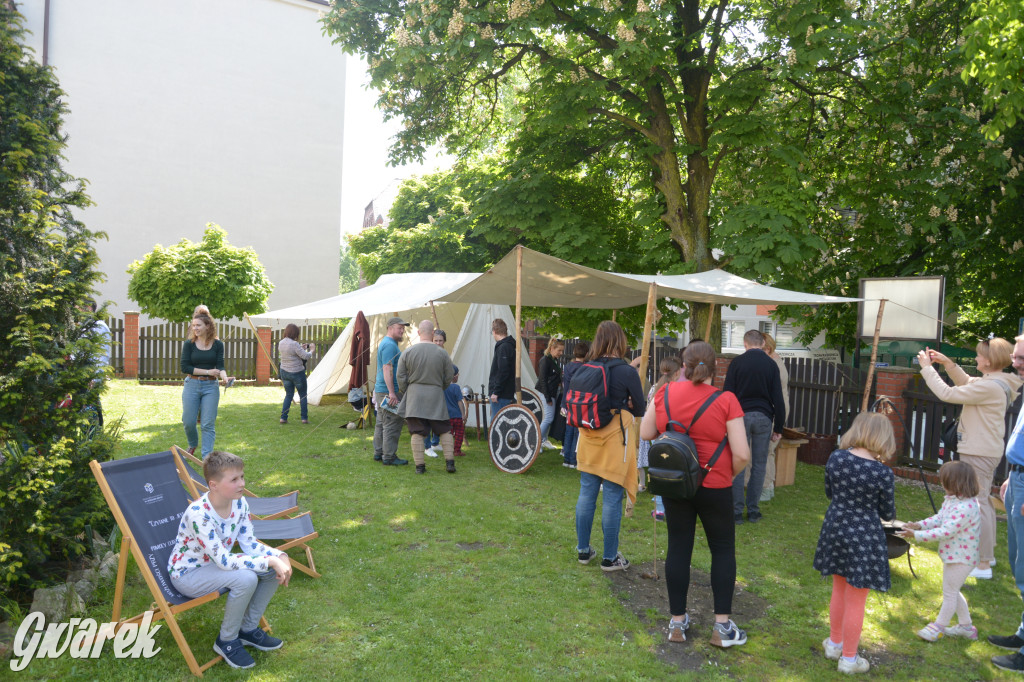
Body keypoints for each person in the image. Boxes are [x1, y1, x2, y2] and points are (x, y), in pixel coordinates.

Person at [639, 341, 751, 647]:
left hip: (676, 484)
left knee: (678, 547)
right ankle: (723, 628)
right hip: (715, 485)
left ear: (683, 366)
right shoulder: (726, 400)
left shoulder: (664, 393)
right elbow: (742, 453)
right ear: (715, 368)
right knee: (723, 550)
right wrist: (727, 474)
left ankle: (677, 623)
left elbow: (646, 433)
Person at [168, 451, 292, 670]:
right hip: (189, 574)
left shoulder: (240, 503)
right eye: (234, 479)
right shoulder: (199, 515)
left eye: (242, 477)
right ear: (213, 485)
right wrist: (269, 561)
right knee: (246, 578)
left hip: (215, 565)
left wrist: (278, 555)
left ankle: (247, 629)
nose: (242, 483)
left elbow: (248, 543)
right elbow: (225, 561)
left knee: (271, 568)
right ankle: (226, 641)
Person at [917, 338, 1021, 579]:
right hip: (984, 449)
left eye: (978, 355)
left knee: (979, 504)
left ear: (989, 360)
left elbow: (947, 393)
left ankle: (983, 563)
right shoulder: (997, 381)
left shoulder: (990, 387)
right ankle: (988, 556)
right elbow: (966, 382)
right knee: (982, 502)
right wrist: (948, 364)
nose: (975, 358)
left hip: (979, 451)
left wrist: (926, 368)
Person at [813, 411, 896, 675]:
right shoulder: (882, 472)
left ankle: (834, 644)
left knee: (839, 587)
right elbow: (888, 513)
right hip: (864, 535)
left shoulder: (836, 458)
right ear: (883, 437)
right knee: (856, 598)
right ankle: (849, 659)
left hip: (836, 526)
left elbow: (828, 491)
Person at [574, 320, 646, 572]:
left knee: (586, 493)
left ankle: (583, 550)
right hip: (616, 439)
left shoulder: (585, 368)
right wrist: (625, 402)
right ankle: (610, 557)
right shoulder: (626, 371)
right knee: (613, 498)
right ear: (620, 342)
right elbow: (641, 407)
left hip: (588, 435)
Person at [898, 460, 981, 642]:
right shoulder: (953, 501)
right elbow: (940, 518)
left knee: (949, 593)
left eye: (945, 481)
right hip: (953, 555)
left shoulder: (966, 508)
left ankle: (938, 627)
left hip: (961, 558)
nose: (942, 484)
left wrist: (917, 535)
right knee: (953, 590)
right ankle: (966, 627)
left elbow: (946, 531)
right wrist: (919, 525)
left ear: (956, 483)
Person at [723, 329, 786, 524]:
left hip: (739, 417)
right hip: (764, 418)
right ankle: (753, 511)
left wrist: (724, 422)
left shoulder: (736, 363)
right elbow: (778, 398)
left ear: (745, 344)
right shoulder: (771, 365)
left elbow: (727, 395)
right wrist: (779, 428)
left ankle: (735, 512)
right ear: (762, 343)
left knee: (738, 462)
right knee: (759, 464)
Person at [988, 334, 1024, 673]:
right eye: (1016, 357)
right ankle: (1022, 634)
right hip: (1019, 478)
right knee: (1019, 565)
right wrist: (1015, 472)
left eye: (1022, 358)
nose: (1015, 363)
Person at [397, 320, 456, 474]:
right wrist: (439, 387)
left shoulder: (408, 352)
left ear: (418, 333)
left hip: (415, 397)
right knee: (444, 430)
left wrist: (408, 391)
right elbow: (449, 375)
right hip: (436, 395)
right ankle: (450, 463)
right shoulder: (442, 353)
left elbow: (400, 376)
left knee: (416, 431)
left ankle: (420, 467)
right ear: (432, 333)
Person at [180, 309, 234, 458]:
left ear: (208, 326)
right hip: (192, 384)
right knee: (188, 421)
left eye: (198, 325)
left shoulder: (217, 345)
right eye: (193, 325)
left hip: (211, 387)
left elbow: (220, 366)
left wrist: (224, 377)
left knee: (207, 424)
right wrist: (208, 372)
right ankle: (192, 444)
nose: (195, 328)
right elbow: (185, 368)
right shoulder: (189, 345)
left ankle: (206, 458)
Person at [640, 356, 682, 515]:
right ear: (677, 373)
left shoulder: (654, 389)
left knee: (659, 469)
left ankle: (659, 506)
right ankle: (666, 506)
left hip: (657, 434)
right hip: (673, 434)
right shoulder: (678, 389)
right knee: (674, 470)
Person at [373, 317, 410, 466]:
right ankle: (388, 456)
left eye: (403, 328)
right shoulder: (389, 345)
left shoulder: (389, 343)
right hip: (388, 391)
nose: (402, 331)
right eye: (399, 328)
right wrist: (392, 392)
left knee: (381, 422)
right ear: (390, 328)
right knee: (392, 423)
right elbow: (387, 368)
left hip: (382, 389)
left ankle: (379, 452)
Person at [757, 333, 789, 501]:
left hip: (776, 411)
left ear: (767, 349)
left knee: (767, 450)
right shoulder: (772, 362)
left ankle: (767, 488)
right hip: (773, 410)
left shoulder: (774, 365)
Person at [277, 324, 314, 425]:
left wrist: (301, 348)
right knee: (303, 395)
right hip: (297, 373)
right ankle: (304, 418)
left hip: (284, 372)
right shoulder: (294, 344)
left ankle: (283, 418)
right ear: (295, 333)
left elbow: (290, 353)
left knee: (288, 395)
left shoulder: (281, 342)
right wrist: (311, 350)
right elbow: (305, 356)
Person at [560, 341, 589, 469]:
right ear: (587, 354)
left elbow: (565, 385)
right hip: (580, 402)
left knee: (568, 431)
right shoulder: (585, 368)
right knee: (577, 432)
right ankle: (573, 459)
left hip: (567, 400)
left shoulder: (567, 367)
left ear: (573, 353)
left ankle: (567, 459)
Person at [536, 337, 565, 450]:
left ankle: (542, 440)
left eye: (562, 351)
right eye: (559, 350)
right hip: (546, 393)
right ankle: (536, 442)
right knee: (549, 418)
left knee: (547, 418)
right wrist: (547, 397)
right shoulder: (545, 360)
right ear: (552, 348)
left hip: (551, 392)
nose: (561, 353)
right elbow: (542, 379)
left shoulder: (553, 360)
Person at [488, 318, 516, 414]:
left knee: (497, 424)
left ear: (494, 331)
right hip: (504, 393)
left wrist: (496, 392)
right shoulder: (507, 346)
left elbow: (503, 371)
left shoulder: (504, 347)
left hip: (502, 395)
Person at [445, 364, 468, 457]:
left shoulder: (442, 387)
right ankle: (457, 450)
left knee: (448, 434)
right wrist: (463, 414)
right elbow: (460, 402)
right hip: (457, 416)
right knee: (459, 433)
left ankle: (448, 450)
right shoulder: (456, 387)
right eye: (458, 375)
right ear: (454, 376)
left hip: (446, 416)